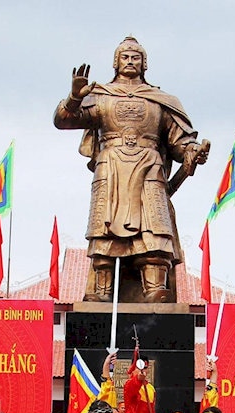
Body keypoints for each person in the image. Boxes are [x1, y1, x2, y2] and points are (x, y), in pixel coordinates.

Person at [53, 35, 209, 302]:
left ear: (144, 64)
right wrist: (73, 99)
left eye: (136, 57)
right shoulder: (100, 96)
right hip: (111, 167)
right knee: (104, 229)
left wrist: (193, 151)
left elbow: (179, 141)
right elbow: (63, 121)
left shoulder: (160, 100)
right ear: (116, 62)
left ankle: (155, 288)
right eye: (125, 57)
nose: (130, 61)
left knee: (154, 228)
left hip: (149, 166)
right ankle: (101, 290)